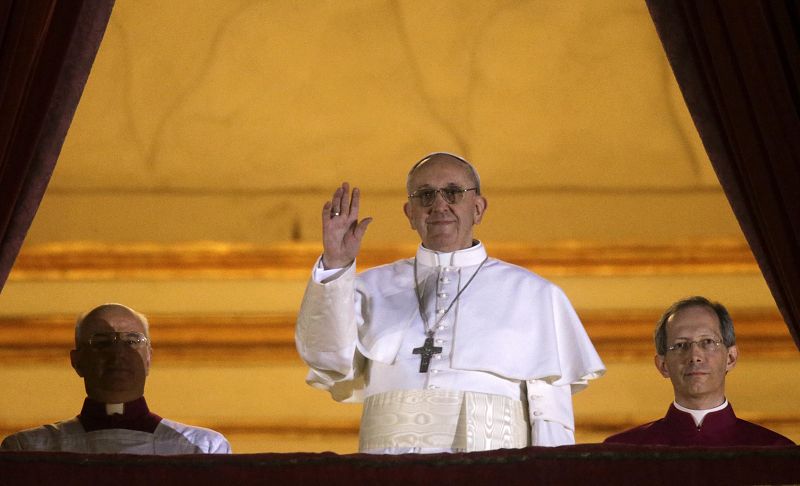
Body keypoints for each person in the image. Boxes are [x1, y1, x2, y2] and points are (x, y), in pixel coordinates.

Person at [295, 152, 605, 454]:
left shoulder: (535, 295)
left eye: (453, 193)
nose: (439, 205)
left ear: (478, 208)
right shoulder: (367, 288)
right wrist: (336, 264)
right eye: (425, 195)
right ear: (409, 213)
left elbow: (550, 417)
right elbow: (328, 361)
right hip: (387, 473)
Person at [1, 303, 231, 454]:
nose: (119, 353)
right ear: (77, 361)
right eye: (101, 342)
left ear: (149, 358)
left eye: (132, 341)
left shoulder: (203, 447)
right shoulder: (29, 450)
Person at [604, 296, 794, 446]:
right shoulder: (624, 454)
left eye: (708, 342)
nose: (694, 356)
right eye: (680, 345)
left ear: (731, 358)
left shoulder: (775, 452)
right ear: (663, 365)